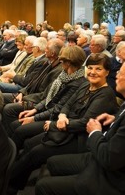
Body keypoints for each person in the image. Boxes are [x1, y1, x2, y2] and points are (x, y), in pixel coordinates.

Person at [7, 53, 118, 194]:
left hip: (78, 139)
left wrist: (54, 124)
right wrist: (63, 115)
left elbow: (85, 123)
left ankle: (7, 182)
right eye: (90, 68)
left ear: (107, 72)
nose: (93, 72)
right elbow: (68, 103)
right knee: (29, 144)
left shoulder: (105, 95)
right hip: (63, 128)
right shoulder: (85, 85)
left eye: (98, 69)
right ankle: (15, 182)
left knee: (35, 152)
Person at [36, 56, 125, 195]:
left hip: (111, 178)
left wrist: (94, 132)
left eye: (121, 73)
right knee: (51, 162)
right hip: (100, 154)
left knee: (43, 186)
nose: (116, 75)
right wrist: (115, 118)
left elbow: (109, 158)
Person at [9, 46, 87, 150]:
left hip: (54, 118)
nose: (60, 62)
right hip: (47, 110)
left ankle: (10, 156)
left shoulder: (77, 83)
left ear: (68, 63)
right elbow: (49, 96)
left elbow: (58, 108)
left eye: (61, 60)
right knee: (15, 124)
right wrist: (34, 110)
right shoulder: (64, 75)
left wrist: (34, 118)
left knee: (19, 129)